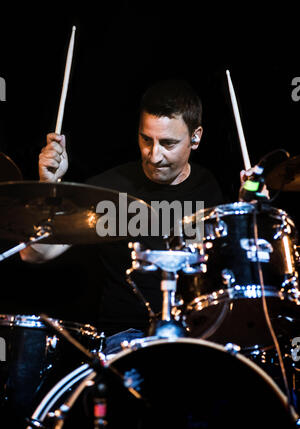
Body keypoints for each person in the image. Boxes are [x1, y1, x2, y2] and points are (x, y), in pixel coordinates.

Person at [20, 79, 243, 354]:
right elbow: (34, 254)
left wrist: (251, 209)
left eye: (168, 143)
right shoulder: (110, 190)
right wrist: (49, 187)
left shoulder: (208, 187)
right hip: (124, 338)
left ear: (195, 138)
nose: (154, 156)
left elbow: (233, 273)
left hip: (194, 335)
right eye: (146, 139)